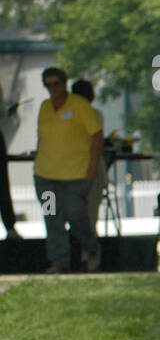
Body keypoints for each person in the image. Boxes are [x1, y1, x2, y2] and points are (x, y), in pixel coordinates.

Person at [33, 67, 102, 272]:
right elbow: (42, 138)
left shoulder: (80, 106)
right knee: (52, 218)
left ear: (64, 84)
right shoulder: (44, 107)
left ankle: (92, 247)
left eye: (56, 84)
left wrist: (92, 171)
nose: (52, 88)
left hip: (75, 176)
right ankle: (58, 262)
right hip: (45, 176)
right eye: (48, 85)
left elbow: (97, 137)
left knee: (76, 215)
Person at [71, 79, 110, 228]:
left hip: (79, 170)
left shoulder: (71, 116)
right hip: (93, 172)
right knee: (90, 219)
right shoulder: (96, 114)